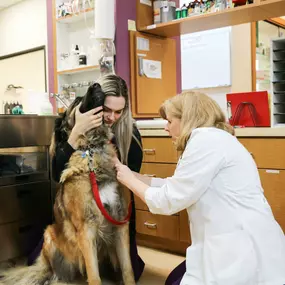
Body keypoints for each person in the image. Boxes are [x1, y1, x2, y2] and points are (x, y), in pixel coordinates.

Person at [115, 91, 285, 285]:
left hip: (241, 250)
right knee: (174, 279)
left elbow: (168, 201)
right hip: (236, 241)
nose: (165, 128)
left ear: (187, 119)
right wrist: (129, 173)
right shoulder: (213, 139)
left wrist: (128, 179)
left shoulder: (205, 141)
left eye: (170, 121)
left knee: (174, 282)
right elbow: (176, 186)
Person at [28, 74, 145, 282]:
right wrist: (76, 132)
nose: (111, 117)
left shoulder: (130, 133)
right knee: (38, 262)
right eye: (107, 110)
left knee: (131, 272)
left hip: (115, 214)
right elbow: (56, 174)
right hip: (77, 215)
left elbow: (132, 182)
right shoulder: (68, 124)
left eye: (119, 112)